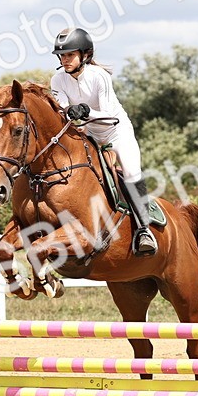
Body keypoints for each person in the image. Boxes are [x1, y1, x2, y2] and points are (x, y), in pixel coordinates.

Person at [49, 27, 157, 256]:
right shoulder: (58, 79)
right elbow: (63, 110)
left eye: (70, 55)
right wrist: (70, 113)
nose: (65, 59)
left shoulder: (99, 76)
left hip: (116, 131)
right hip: (88, 133)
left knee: (131, 172)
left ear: (85, 54)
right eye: (62, 55)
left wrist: (85, 111)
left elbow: (108, 114)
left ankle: (144, 230)